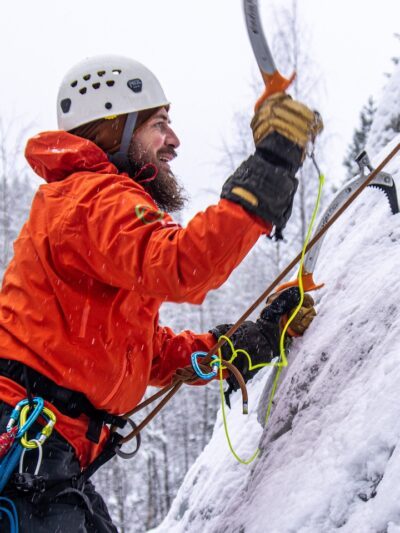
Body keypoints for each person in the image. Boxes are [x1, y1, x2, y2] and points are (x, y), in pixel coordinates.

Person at [0, 55, 322, 531]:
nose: (173, 141)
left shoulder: (88, 210)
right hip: (30, 447)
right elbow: (181, 265)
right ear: (113, 129)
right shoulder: (92, 198)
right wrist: (270, 166)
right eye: (159, 123)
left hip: (46, 454)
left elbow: (144, 353)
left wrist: (238, 346)